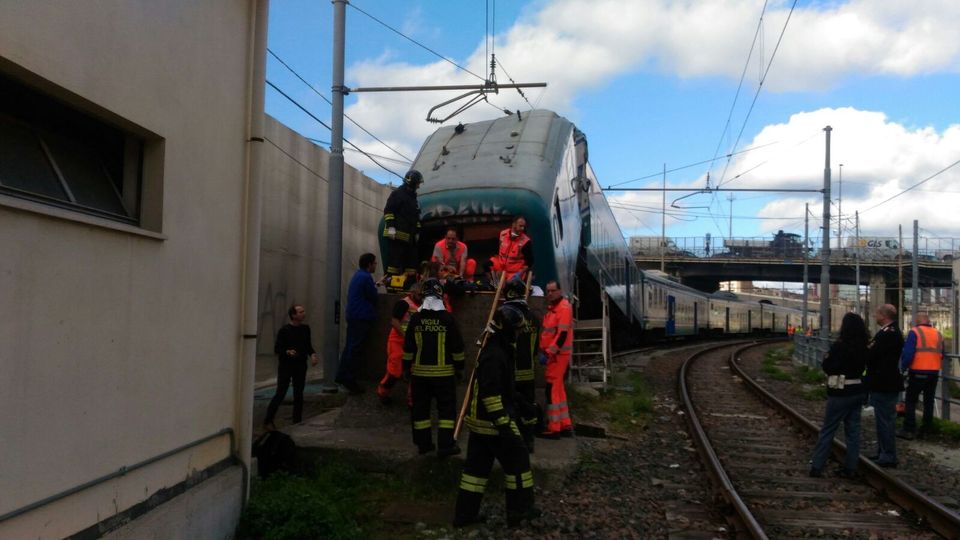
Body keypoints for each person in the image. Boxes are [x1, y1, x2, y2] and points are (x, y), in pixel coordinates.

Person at [454, 303, 540, 528]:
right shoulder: (495, 355)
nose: (519, 334)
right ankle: (520, 512)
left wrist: (524, 405)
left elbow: (505, 389)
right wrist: (505, 425)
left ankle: (464, 516)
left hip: (481, 423)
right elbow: (491, 395)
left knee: (475, 473)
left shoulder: (498, 350)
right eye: (517, 330)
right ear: (508, 329)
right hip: (492, 423)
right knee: (519, 462)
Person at [403, 278, 465, 457]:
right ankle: (446, 446)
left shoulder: (416, 319)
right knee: (446, 411)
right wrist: (459, 368)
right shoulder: (448, 319)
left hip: (419, 376)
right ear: (440, 295)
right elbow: (457, 348)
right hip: (444, 376)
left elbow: (408, 348)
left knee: (420, 411)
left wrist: (406, 369)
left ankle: (423, 445)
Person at [809, 313, 869, 478]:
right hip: (857, 390)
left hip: (840, 392)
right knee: (853, 432)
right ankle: (850, 468)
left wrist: (827, 360)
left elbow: (829, 367)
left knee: (828, 429)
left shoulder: (839, 346)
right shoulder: (864, 346)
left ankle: (817, 466)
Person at [264, 304, 319, 429]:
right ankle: (268, 420)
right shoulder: (285, 330)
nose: (303, 313)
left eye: (303, 311)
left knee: (298, 393)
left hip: (300, 365)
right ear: (293, 315)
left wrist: (313, 354)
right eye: (300, 312)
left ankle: (297, 420)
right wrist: (287, 351)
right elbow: (277, 348)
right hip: (286, 365)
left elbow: (308, 345)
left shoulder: (305, 329)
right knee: (281, 392)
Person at [502, 279, 541, 451]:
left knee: (510, 407)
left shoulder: (506, 316)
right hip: (528, 372)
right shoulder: (534, 318)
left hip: (510, 373)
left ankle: (513, 443)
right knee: (528, 408)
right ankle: (529, 440)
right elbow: (535, 347)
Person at [865, 303, 904, 468]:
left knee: (885, 421)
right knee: (883, 420)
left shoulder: (888, 333)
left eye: (877, 313)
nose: (875, 316)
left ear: (884, 315)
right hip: (885, 382)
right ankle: (883, 451)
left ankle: (888, 455)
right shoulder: (890, 332)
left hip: (884, 383)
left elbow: (873, 353)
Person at [337, 253, 379, 395]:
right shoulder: (366, 277)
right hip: (362, 316)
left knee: (349, 346)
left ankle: (342, 375)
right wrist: (375, 288)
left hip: (353, 315)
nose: (376, 265)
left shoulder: (358, 275)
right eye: (375, 263)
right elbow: (373, 297)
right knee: (355, 348)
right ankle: (350, 379)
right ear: (369, 264)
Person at [899, 312, 944, 440]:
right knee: (929, 401)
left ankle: (909, 429)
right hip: (933, 372)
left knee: (911, 400)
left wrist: (903, 368)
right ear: (928, 321)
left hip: (918, 371)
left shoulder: (915, 332)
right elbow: (942, 354)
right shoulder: (938, 333)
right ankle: (926, 430)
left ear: (918, 321)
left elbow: (908, 354)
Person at [538, 280, 574, 438]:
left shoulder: (563, 308)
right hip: (555, 355)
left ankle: (554, 428)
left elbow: (562, 335)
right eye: (548, 291)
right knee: (558, 389)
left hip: (557, 356)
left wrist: (548, 353)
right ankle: (565, 424)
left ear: (560, 291)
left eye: (553, 291)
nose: (550, 293)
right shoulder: (554, 308)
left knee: (552, 389)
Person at [376, 283, 421, 406]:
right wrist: (406, 337)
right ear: (412, 293)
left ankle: (412, 399)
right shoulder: (403, 303)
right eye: (419, 294)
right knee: (395, 370)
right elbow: (394, 321)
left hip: (413, 343)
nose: (421, 297)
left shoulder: (422, 305)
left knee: (414, 371)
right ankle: (383, 391)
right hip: (398, 341)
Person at [383, 170, 422, 291]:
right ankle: (392, 288)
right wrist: (391, 228)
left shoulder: (413, 198)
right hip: (397, 236)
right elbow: (388, 211)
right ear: (412, 182)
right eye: (418, 183)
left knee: (411, 264)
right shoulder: (398, 194)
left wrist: (417, 231)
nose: (419, 186)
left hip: (409, 237)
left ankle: (408, 287)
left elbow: (415, 217)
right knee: (394, 264)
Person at [487, 216, 533, 283]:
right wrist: (497, 270)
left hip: (514, 271)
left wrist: (520, 273)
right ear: (514, 224)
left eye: (524, 226)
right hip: (501, 266)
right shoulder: (503, 234)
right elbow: (497, 251)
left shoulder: (526, 242)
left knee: (509, 285)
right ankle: (493, 283)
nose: (522, 228)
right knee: (487, 265)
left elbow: (529, 262)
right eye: (520, 226)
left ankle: (502, 283)